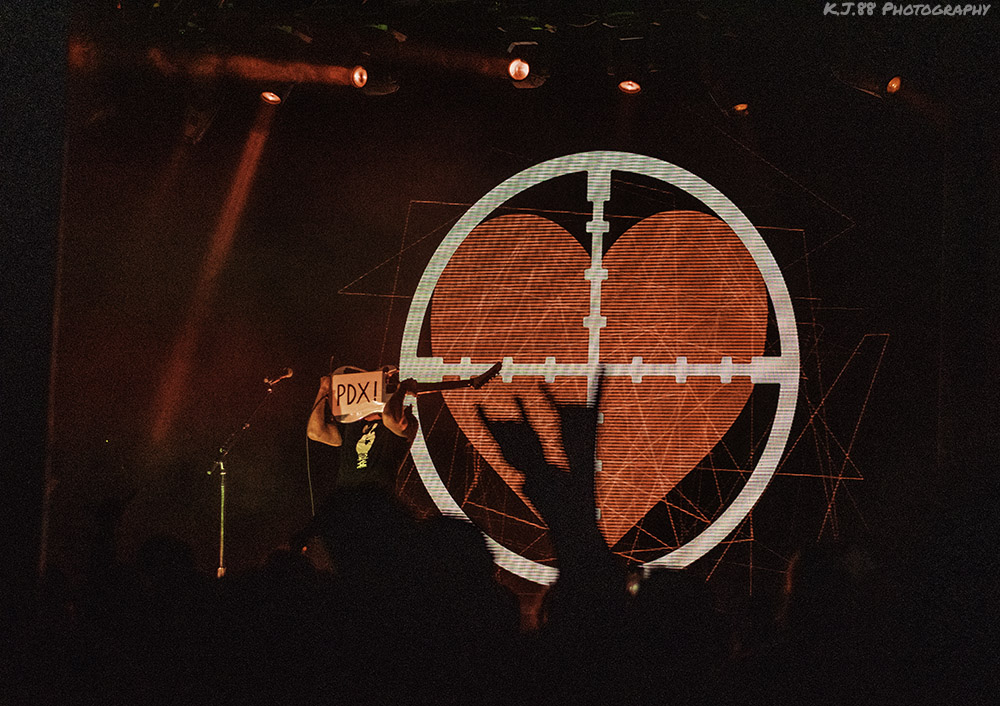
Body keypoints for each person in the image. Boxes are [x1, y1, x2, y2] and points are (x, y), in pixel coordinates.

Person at [307, 367, 418, 492]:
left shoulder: (407, 420)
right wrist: (323, 390)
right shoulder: (352, 424)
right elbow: (315, 432)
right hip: (347, 501)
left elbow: (390, 417)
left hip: (377, 500)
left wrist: (401, 389)